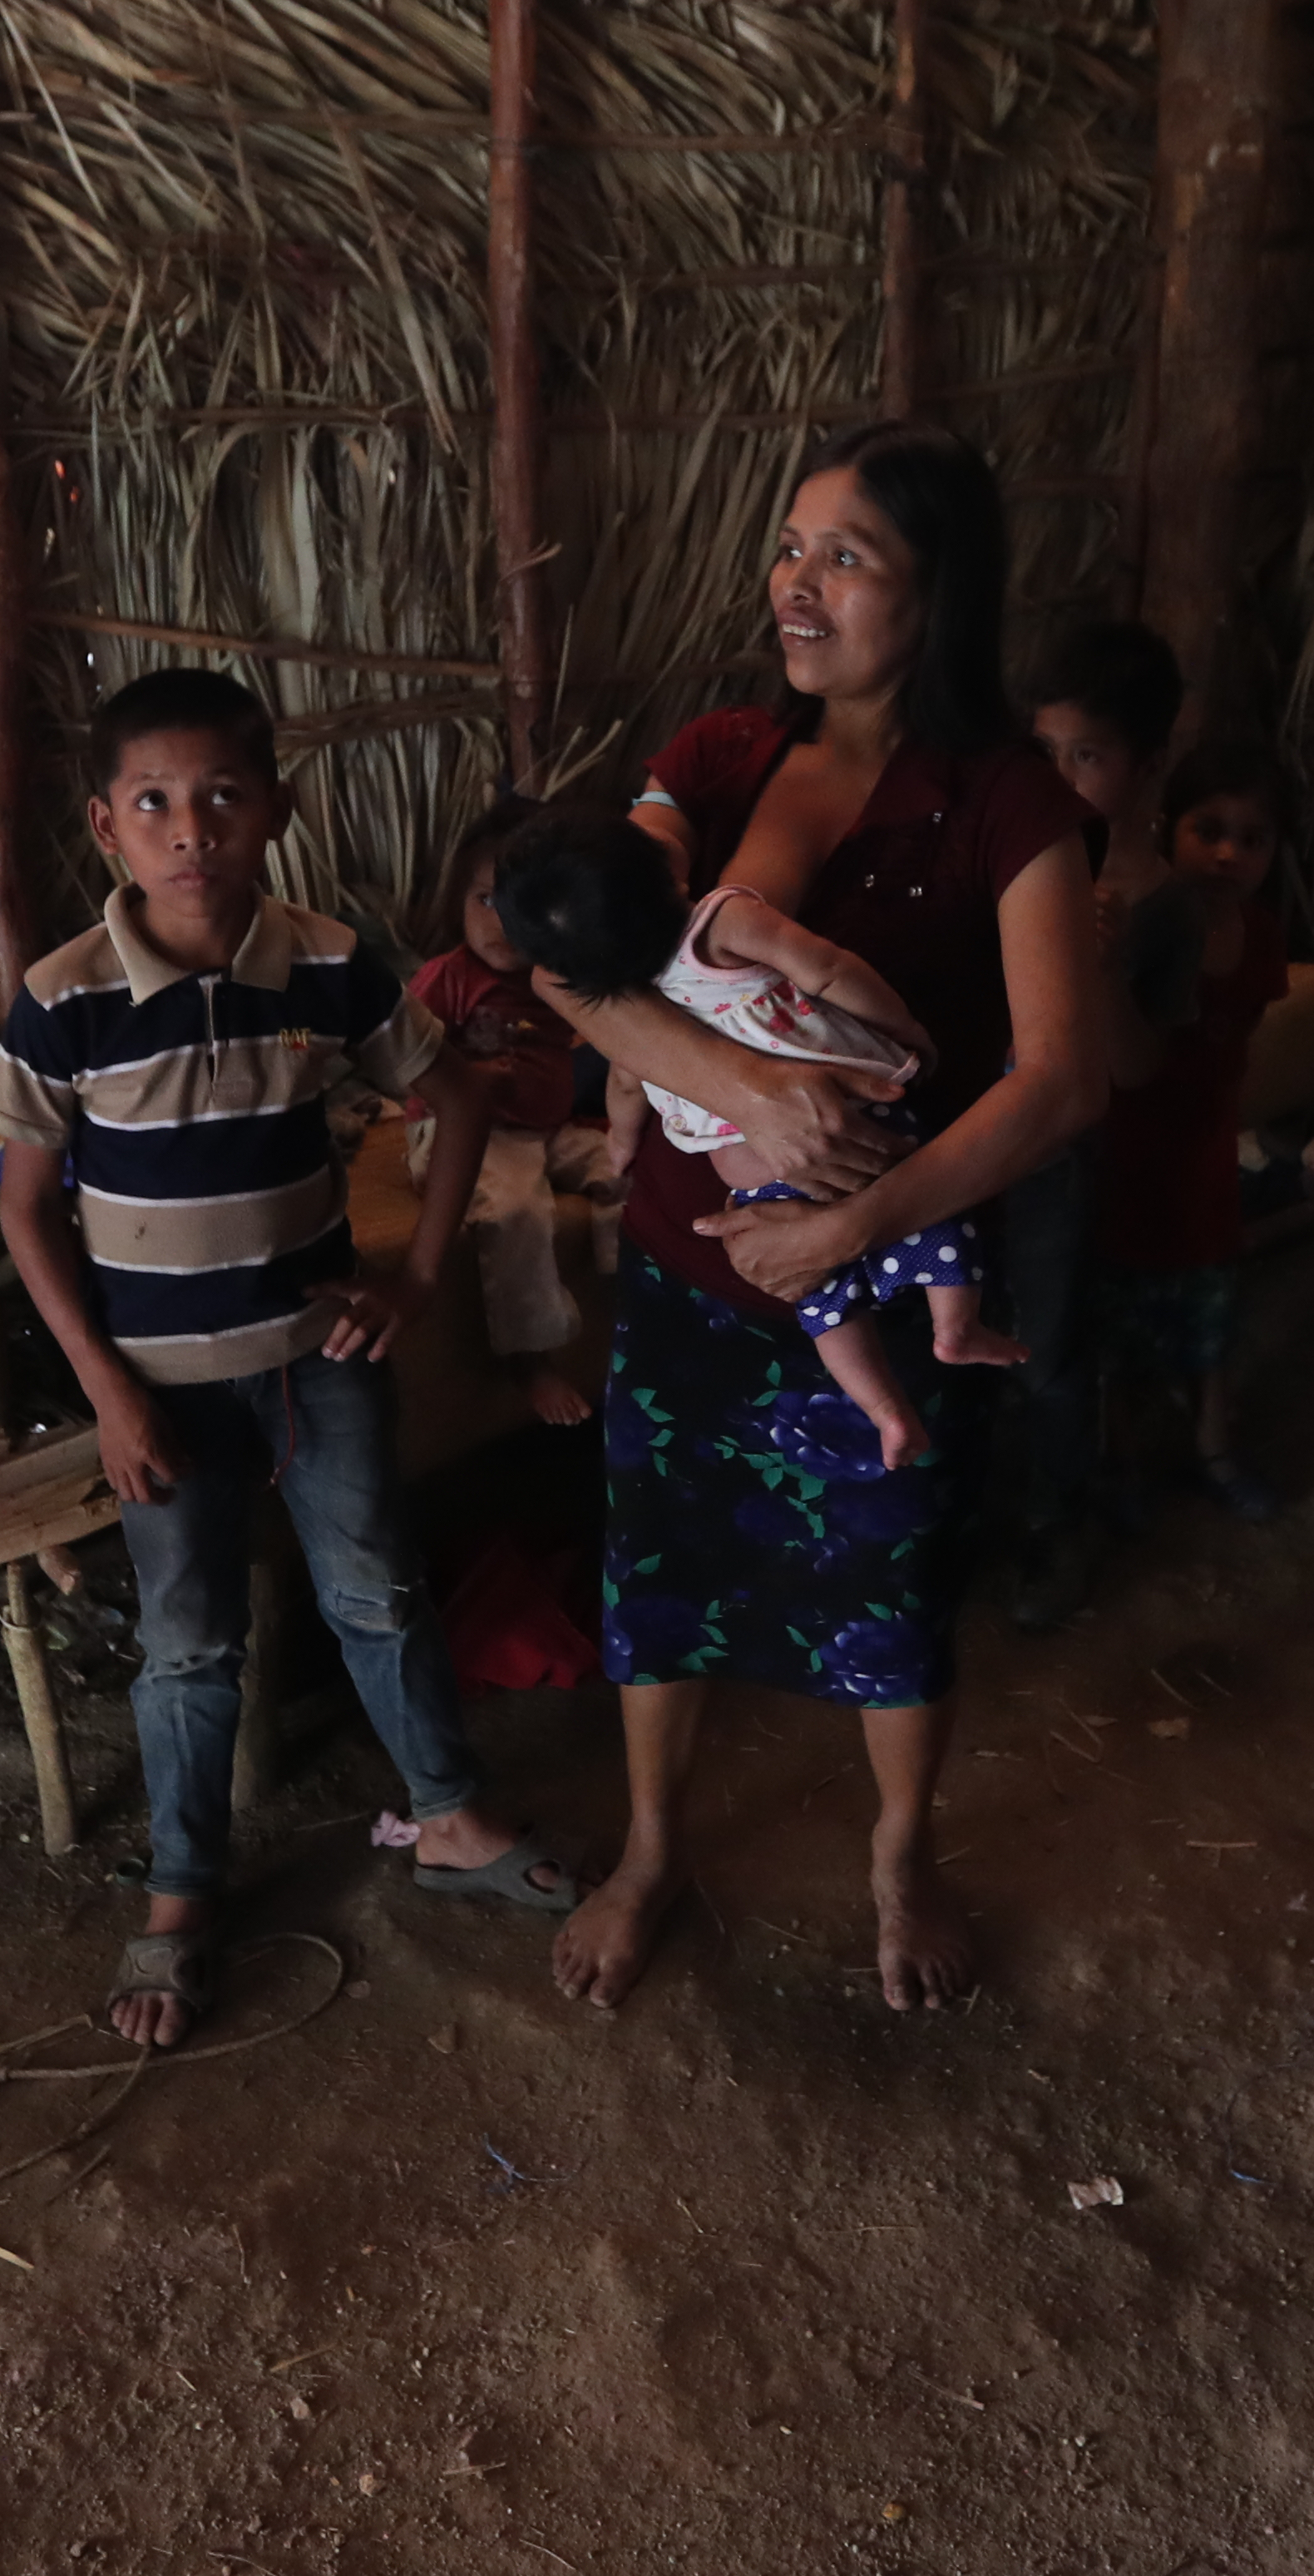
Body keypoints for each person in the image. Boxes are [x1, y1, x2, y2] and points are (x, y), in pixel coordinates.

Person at [520, 424, 1105, 2014]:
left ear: (940, 592)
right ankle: (653, 1848)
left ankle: (900, 1854)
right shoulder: (714, 758)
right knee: (662, 1565)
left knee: (890, 1578)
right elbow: (567, 952)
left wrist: (857, 1226)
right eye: (791, 545)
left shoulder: (1010, 806)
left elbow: (1060, 1079)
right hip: (688, 1270)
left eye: (846, 556)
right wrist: (747, 1092)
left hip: (889, 1274)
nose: (797, 581)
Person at [0, 670, 581, 2050]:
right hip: (158, 1387)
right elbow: (24, 1208)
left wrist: (415, 1278)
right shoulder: (66, 998)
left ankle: (447, 1814)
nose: (191, 827)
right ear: (106, 826)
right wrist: (108, 1392)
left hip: (319, 1359)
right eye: (154, 802)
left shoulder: (326, 962)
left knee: (378, 1587)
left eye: (222, 796)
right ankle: (184, 1886)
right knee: (189, 1638)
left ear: (277, 810)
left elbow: (456, 1095)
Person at [489, 810, 1028, 1476]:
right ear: (667, 872)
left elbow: (626, 1090)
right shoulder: (719, 923)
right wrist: (902, 1027)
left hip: (759, 1179)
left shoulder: (630, 1011)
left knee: (820, 1298)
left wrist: (622, 1146)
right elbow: (826, 970)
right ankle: (956, 1325)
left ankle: (885, 1409)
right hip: (855, 1113)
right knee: (933, 1205)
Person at [1000, 620, 1192, 1625]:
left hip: (1060, 1167)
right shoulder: (1009, 866)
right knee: (956, 1331)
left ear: (1147, 766)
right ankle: (977, 1514)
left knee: (1050, 1353)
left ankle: (1052, 1529)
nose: (1061, 779)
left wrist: (1104, 968)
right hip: (974, 1145)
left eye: (1089, 756)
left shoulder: (1160, 907)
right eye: (1045, 751)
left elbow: (1138, 1066)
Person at [1096, 744, 1294, 1520]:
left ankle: (1213, 1447)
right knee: (1115, 1320)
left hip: (1205, 1152)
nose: (1229, 855)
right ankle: (1121, 1461)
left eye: (1253, 839)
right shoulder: (1142, 928)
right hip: (1125, 1151)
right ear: (1166, 829)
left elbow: (1237, 1046)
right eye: (1208, 830)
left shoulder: (1262, 937)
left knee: (1212, 1308)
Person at [403, 796, 603, 1430]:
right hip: (463, 1137)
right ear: (458, 899)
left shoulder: (559, 981)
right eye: (486, 899)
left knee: (630, 1168)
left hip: (545, 1129)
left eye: (526, 904)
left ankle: (617, 1290)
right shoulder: (447, 978)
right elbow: (401, 1065)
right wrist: (465, 1081)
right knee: (518, 1208)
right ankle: (527, 1356)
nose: (502, 922)